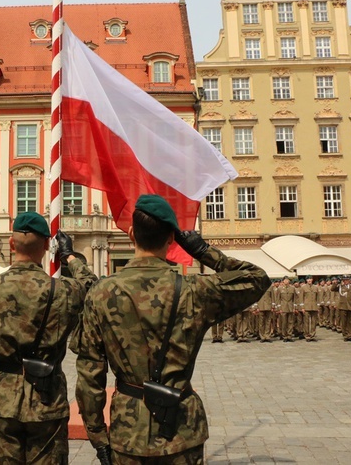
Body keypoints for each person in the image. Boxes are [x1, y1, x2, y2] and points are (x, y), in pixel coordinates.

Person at [74, 194, 270, 463]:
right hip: (181, 428)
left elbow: (89, 374)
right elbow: (258, 279)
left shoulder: (100, 293)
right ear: (171, 239)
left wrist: (98, 437)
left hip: (128, 431)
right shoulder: (195, 290)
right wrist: (202, 251)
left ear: (131, 234)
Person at [0, 212, 96, 463]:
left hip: (1, 399)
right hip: (47, 397)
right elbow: (91, 286)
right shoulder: (63, 290)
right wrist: (70, 257)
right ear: (46, 245)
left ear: (12, 244)